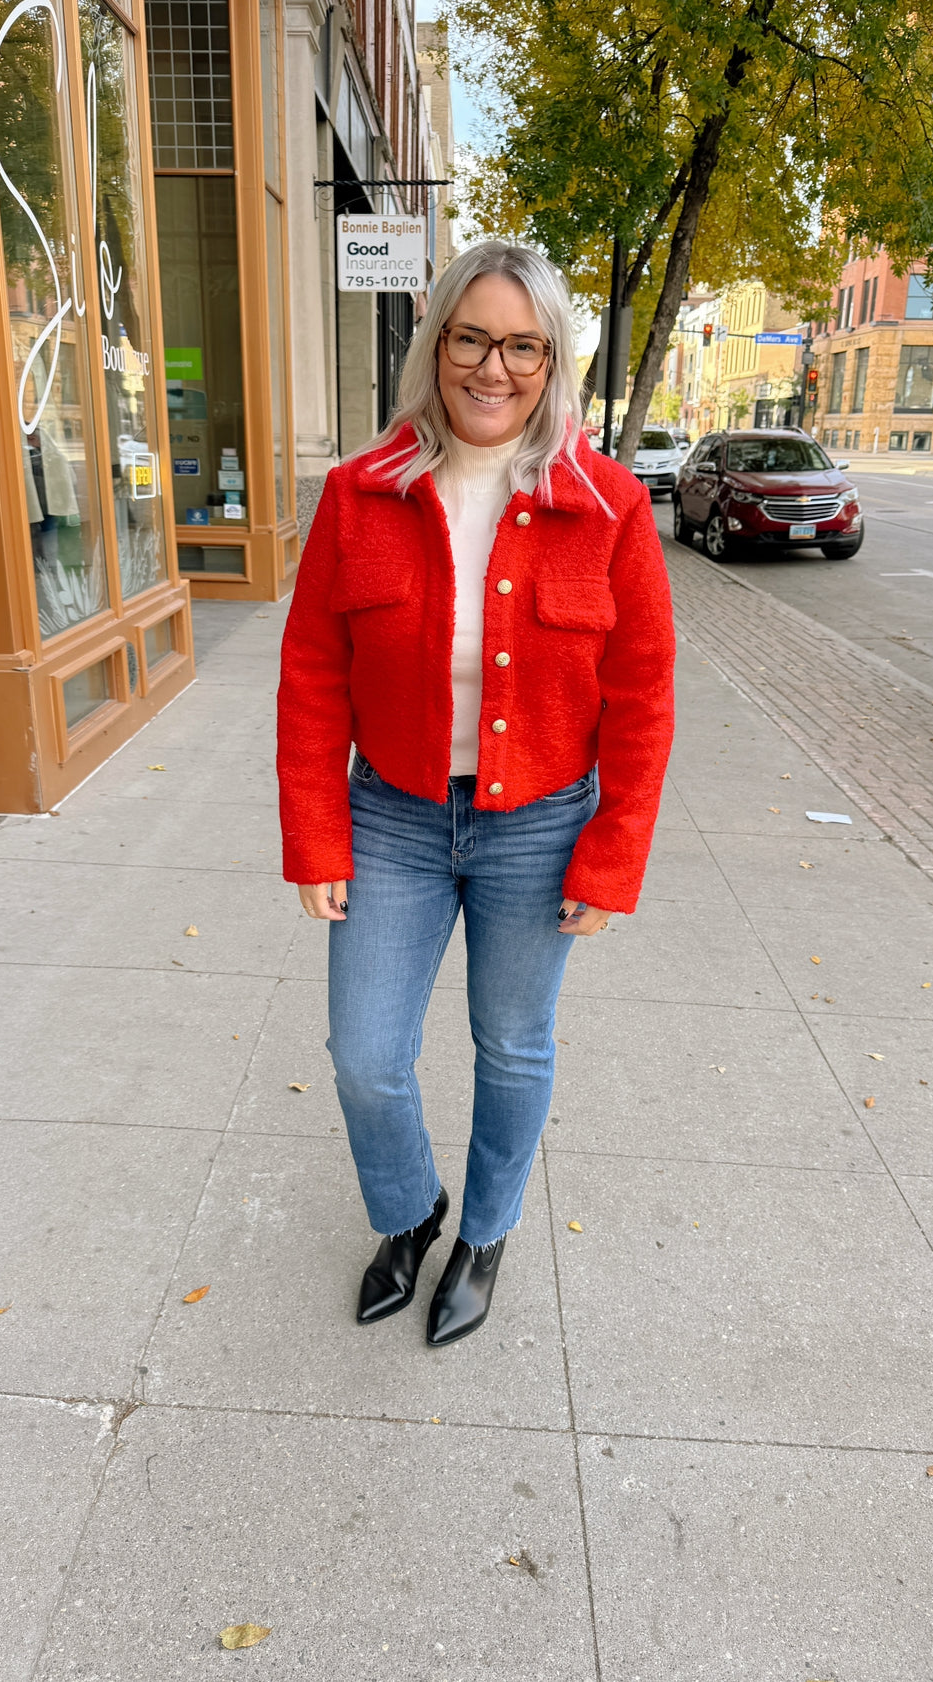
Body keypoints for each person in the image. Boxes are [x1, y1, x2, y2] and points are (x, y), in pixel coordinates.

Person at [277, 241, 675, 1347]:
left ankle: (485, 1232)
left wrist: (611, 857)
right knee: (363, 1055)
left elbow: (641, 697)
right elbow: (311, 674)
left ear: (550, 364)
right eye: (471, 337)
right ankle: (409, 1211)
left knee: (510, 1046)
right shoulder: (360, 494)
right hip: (391, 819)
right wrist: (315, 834)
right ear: (435, 342)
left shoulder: (604, 506)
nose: (492, 367)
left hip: (540, 827)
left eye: (522, 346)